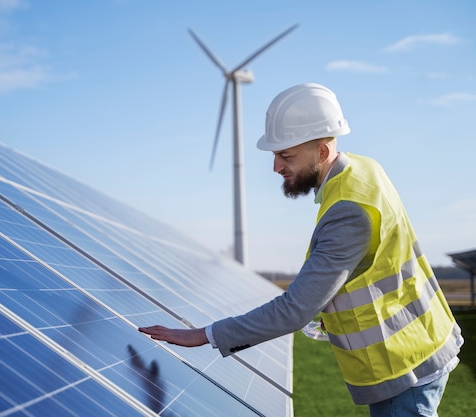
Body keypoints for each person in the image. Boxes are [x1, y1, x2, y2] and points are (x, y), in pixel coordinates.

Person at [139, 83, 463, 416]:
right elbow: (374, 266)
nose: (276, 167)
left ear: (322, 152)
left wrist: (205, 335)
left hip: (401, 364)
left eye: (286, 155)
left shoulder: (348, 210)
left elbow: (294, 310)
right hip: (421, 342)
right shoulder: (364, 171)